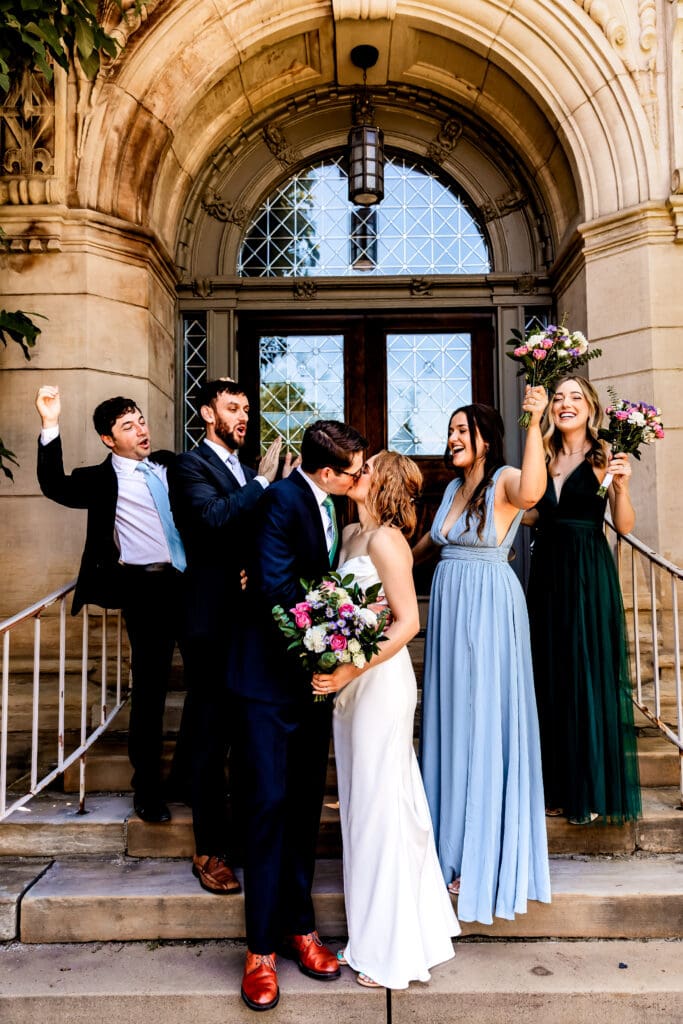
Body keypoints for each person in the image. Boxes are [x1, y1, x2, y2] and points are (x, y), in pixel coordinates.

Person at [228, 419, 367, 1013]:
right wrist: (340, 629)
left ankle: (299, 926)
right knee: (265, 809)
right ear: (328, 472)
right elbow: (276, 586)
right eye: (355, 470)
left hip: (310, 687)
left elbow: (319, 577)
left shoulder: (328, 503)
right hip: (266, 684)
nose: (362, 477)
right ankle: (260, 950)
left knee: (306, 805)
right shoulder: (282, 501)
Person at [311, 451, 461, 990]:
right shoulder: (350, 532)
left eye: (367, 466)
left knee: (381, 807)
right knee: (363, 805)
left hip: (378, 684)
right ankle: (389, 928)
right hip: (350, 687)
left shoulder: (387, 540)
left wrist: (348, 669)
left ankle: (390, 949)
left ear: (386, 481)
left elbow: (407, 622)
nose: (357, 470)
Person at [415, 386, 552, 926]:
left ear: (485, 439)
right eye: (448, 430)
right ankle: (447, 846)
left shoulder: (504, 479)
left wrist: (536, 420)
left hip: (490, 610)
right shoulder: (452, 488)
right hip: (450, 612)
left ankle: (481, 858)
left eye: (459, 430)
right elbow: (429, 546)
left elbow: (535, 492)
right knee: (452, 724)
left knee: (482, 723)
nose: (450, 438)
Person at [172, 379, 300, 896]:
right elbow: (210, 519)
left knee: (247, 735)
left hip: (251, 625)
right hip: (208, 622)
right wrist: (264, 485)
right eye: (232, 408)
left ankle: (247, 839)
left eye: (247, 409)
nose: (243, 416)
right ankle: (209, 850)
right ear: (207, 413)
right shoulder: (188, 467)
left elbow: (256, 532)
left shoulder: (250, 472)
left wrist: (282, 486)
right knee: (208, 737)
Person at [35, 386, 185, 824]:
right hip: (145, 591)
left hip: (190, 585)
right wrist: (50, 423)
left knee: (213, 686)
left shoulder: (171, 466)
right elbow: (54, 485)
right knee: (152, 692)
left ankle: (190, 775)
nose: (141, 430)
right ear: (108, 439)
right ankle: (149, 790)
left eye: (141, 420)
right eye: (127, 426)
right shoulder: (99, 479)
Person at [524, 375, 641, 825]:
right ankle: (554, 787)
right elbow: (533, 510)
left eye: (575, 397)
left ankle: (587, 790)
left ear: (591, 408)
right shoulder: (544, 452)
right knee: (549, 672)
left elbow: (625, 526)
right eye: (558, 398)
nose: (565, 404)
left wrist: (623, 486)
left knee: (585, 673)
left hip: (588, 574)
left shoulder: (606, 455)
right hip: (548, 573)